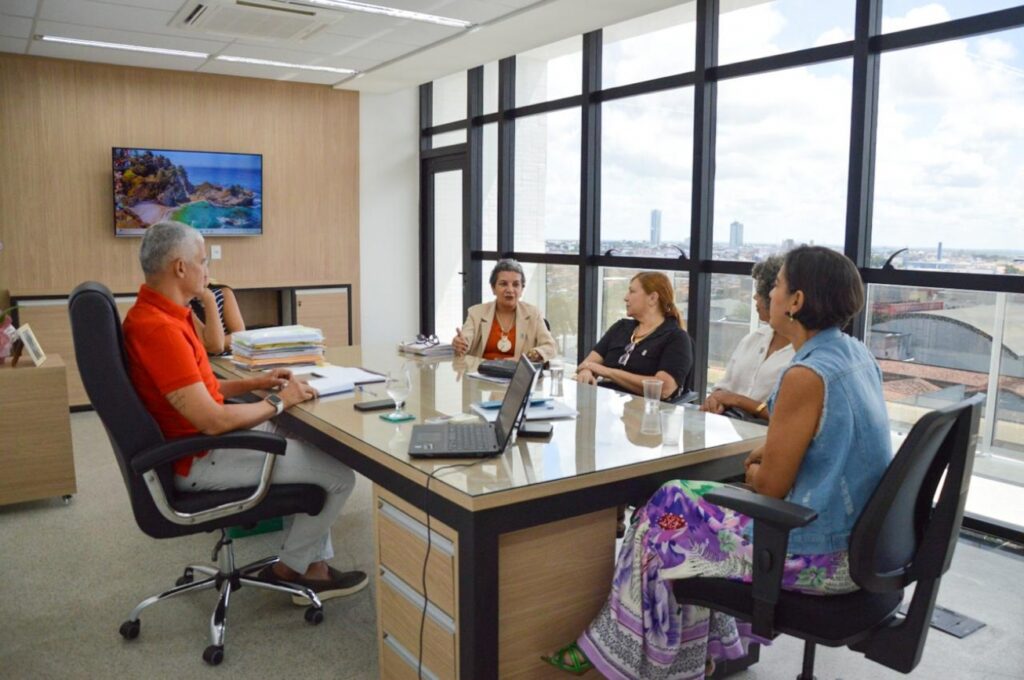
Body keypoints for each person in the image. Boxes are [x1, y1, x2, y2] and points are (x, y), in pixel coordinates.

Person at [544, 246, 893, 678]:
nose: (770, 294)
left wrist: (754, 469)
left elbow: (768, 488)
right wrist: (771, 457)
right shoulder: (857, 356)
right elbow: (830, 441)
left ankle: (629, 654)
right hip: (860, 547)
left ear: (797, 301)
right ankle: (682, 659)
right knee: (669, 521)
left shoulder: (805, 374)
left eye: (779, 284)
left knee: (663, 515)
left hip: (815, 556)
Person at [122, 221, 367, 602]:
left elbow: (200, 391)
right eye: (203, 261)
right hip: (200, 458)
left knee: (305, 444)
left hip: (201, 444)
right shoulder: (159, 329)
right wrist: (279, 402)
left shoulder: (167, 313)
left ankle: (313, 566)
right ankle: (291, 570)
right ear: (180, 267)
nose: (208, 270)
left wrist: (257, 383)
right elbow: (213, 418)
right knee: (339, 476)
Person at [702, 255, 794, 420]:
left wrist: (737, 400)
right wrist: (715, 400)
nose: (754, 297)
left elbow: (791, 420)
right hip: (730, 427)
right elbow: (723, 388)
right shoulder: (753, 339)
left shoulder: (806, 354)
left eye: (759, 292)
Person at [575, 272, 692, 401]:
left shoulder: (676, 338)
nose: (626, 297)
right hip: (606, 405)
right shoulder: (621, 327)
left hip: (644, 412)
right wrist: (586, 372)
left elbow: (664, 389)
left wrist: (608, 372)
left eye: (632, 292)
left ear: (652, 298)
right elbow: (587, 364)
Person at [452, 259, 558, 362]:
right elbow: (465, 340)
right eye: (503, 284)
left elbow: (550, 347)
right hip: (482, 374)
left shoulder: (533, 314)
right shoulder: (476, 313)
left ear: (521, 290)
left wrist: (526, 358)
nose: (510, 290)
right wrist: (460, 344)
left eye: (516, 284)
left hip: (517, 376)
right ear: (493, 288)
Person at [190, 280, 245, 355]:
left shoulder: (223, 293)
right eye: (200, 267)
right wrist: (209, 299)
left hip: (224, 360)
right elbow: (214, 346)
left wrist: (215, 342)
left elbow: (241, 338)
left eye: (206, 267)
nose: (205, 271)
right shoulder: (183, 302)